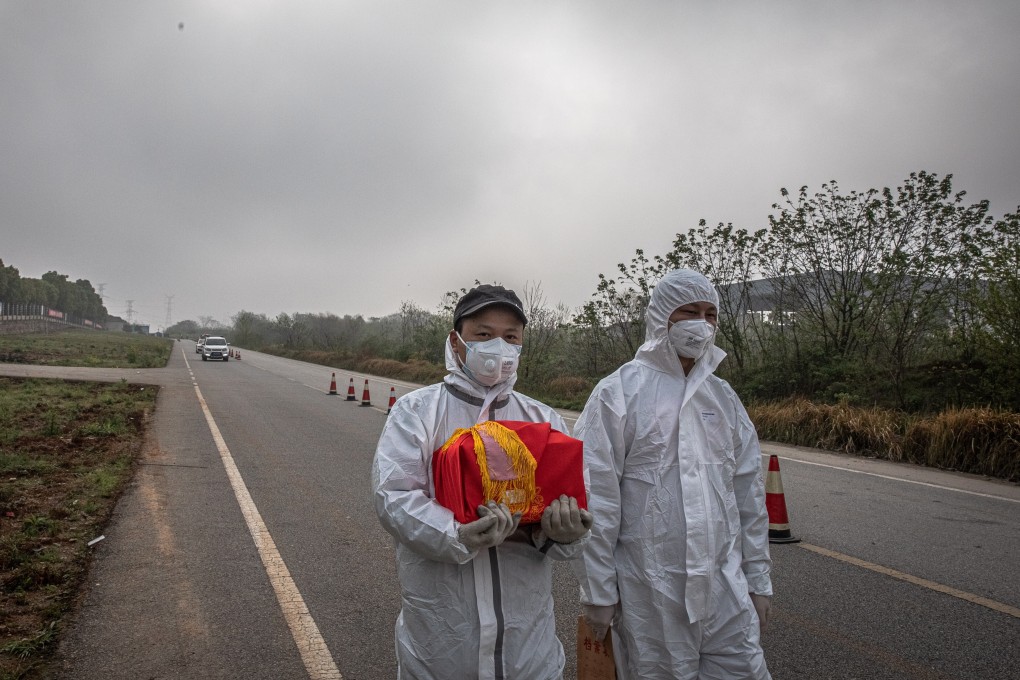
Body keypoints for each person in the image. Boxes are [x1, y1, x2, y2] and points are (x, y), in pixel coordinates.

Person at [372, 284, 593, 680]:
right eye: (484, 334)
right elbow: (394, 496)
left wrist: (567, 534)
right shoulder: (417, 412)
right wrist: (458, 534)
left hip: (528, 646)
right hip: (443, 638)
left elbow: (573, 499)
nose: (499, 347)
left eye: (511, 337)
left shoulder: (544, 420)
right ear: (457, 342)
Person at [572, 269, 773, 680]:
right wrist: (598, 591)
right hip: (651, 592)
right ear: (663, 316)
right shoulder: (619, 393)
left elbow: (748, 496)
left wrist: (758, 578)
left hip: (725, 590)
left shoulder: (723, 398)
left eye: (710, 313)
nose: (702, 323)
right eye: (689, 312)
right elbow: (596, 499)